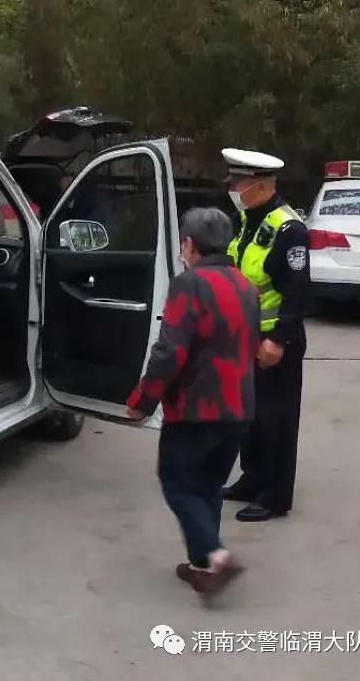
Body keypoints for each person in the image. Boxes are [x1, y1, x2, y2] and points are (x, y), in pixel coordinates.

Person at [127, 207, 260, 596]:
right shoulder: (245, 285)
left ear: (188, 244)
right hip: (238, 406)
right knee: (208, 485)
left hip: (197, 408)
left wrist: (143, 400)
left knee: (178, 482)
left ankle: (214, 555)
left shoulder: (189, 284)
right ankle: (203, 566)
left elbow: (170, 352)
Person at [219, 148, 310, 523]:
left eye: (237, 183)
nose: (233, 190)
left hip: (274, 340)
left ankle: (275, 495)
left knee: (277, 419)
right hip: (244, 336)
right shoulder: (245, 220)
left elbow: (297, 291)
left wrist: (278, 340)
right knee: (250, 416)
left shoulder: (289, 229)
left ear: (258, 185)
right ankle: (253, 478)